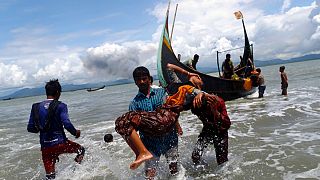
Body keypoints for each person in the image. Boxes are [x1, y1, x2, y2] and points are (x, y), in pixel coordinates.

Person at [128, 65, 200, 178]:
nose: (142, 81)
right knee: (150, 175)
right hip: (149, 142)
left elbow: (171, 111)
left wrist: (177, 126)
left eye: (144, 78)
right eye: (138, 79)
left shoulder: (162, 93)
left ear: (149, 78)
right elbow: (133, 128)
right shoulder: (134, 104)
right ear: (135, 82)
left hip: (169, 137)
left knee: (174, 168)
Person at [27, 79, 85, 179]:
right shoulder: (61, 106)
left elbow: (31, 128)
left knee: (50, 177)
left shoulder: (35, 107)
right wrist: (76, 133)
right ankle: (75, 174)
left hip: (45, 148)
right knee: (81, 150)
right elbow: (66, 123)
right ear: (58, 92)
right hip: (61, 144)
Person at [191, 91, 231, 166]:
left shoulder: (218, 102)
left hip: (221, 130)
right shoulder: (195, 103)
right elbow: (186, 89)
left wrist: (215, 111)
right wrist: (201, 93)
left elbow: (227, 124)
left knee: (222, 161)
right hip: (208, 128)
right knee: (195, 155)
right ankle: (201, 171)